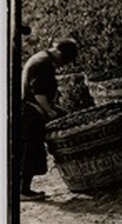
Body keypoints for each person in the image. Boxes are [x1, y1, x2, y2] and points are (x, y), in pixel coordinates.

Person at [20, 38, 79, 201]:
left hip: (30, 108)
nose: (63, 65)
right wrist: (49, 111)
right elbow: (39, 94)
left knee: (30, 150)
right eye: (65, 60)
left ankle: (23, 189)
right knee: (31, 151)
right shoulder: (43, 64)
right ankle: (23, 191)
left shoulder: (43, 58)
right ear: (59, 53)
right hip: (31, 111)